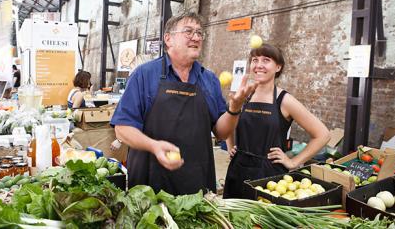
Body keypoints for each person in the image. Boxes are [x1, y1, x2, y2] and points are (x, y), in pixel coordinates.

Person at [111, 12, 256, 195]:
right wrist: (154, 146)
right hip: (149, 182)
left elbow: (221, 132)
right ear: (168, 39)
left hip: (196, 181)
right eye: (188, 32)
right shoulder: (144, 75)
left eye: (199, 33)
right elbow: (122, 129)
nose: (196, 37)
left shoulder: (209, 79)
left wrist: (234, 109)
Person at [223, 44, 330, 199]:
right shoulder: (243, 95)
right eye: (255, 60)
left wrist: (294, 162)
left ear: (278, 67)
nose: (259, 65)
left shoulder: (285, 100)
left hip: (269, 176)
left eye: (266, 60)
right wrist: (230, 146)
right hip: (238, 169)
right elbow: (230, 119)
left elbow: (322, 135)